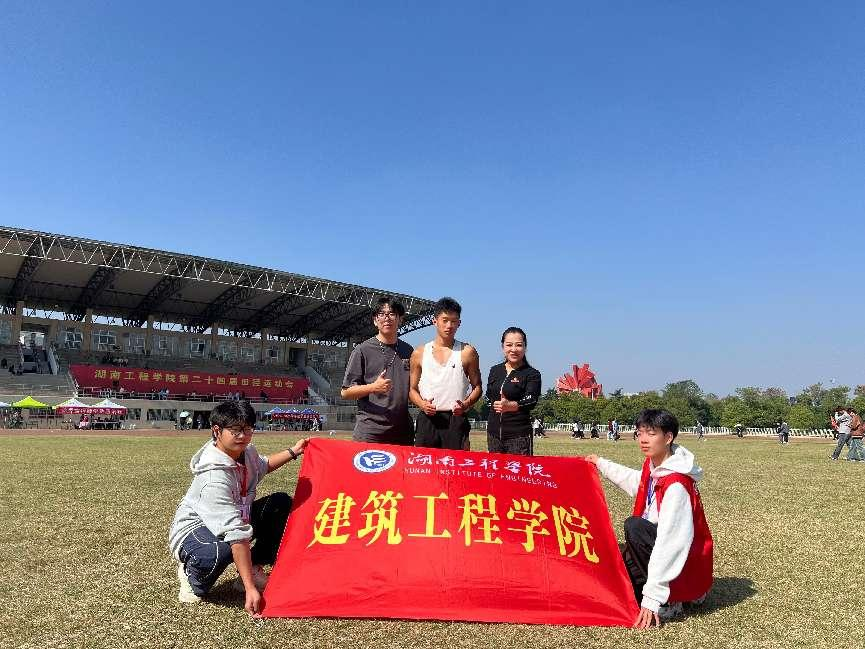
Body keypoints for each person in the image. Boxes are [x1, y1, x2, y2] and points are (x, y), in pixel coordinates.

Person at [168, 400, 308, 614]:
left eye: (248, 429)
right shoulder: (213, 479)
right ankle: (191, 574)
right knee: (221, 550)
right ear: (217, 431)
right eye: (235, 430)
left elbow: (263, 466)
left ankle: (252, 566)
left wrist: (294, 451)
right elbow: (235, 534)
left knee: (280, 504)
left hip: (236, 517)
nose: (243, 436)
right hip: (196, 530)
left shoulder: (247, 452)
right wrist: (251, 589)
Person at [585, 409, 713, 628]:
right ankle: (659, 589)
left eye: (651, 433)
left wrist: (654, 597)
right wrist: (601, 463)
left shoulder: (676, 485)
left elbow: (672, 543)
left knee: (635, 527)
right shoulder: (655, 467)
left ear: (668, 437)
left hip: (683, 562)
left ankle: (672, 600)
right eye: (640, 433)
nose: (643, 439)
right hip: (657, 549)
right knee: (612, 579)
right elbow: (638, 482)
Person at [410, 297, 482, 450]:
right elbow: (412, 389)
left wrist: (466, 404)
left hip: (456, 419)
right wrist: (422, 404)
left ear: (459, 323)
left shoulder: (467, 352)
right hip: (428, 419)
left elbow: (477, 387)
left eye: (454, 321)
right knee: (425, 464)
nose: (449, 325)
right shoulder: (419, 353)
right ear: (434, 321)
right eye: (445, 320)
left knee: (456, 464)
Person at [341, 296, 414, 445]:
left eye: (392, 313)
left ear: (400, 319)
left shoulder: (409, 351)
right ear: (375, 320)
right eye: (382, 314)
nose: (387, 318)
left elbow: (414, 388)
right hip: (370, 432)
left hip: (402, 432)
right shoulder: (362, 350)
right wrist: (373, 387)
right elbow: (346, 392)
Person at [485, 327, 542, 456]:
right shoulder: (495, 370)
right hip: (494, 434)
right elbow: (488, 395)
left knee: (517, 469)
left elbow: (532, 400)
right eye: (509, 345)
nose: (514, 349)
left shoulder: (532, 374)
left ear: (525, 347)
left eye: (519, 345)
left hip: (519, 436)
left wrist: (511, 405)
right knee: (496, 469)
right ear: (503, 347)